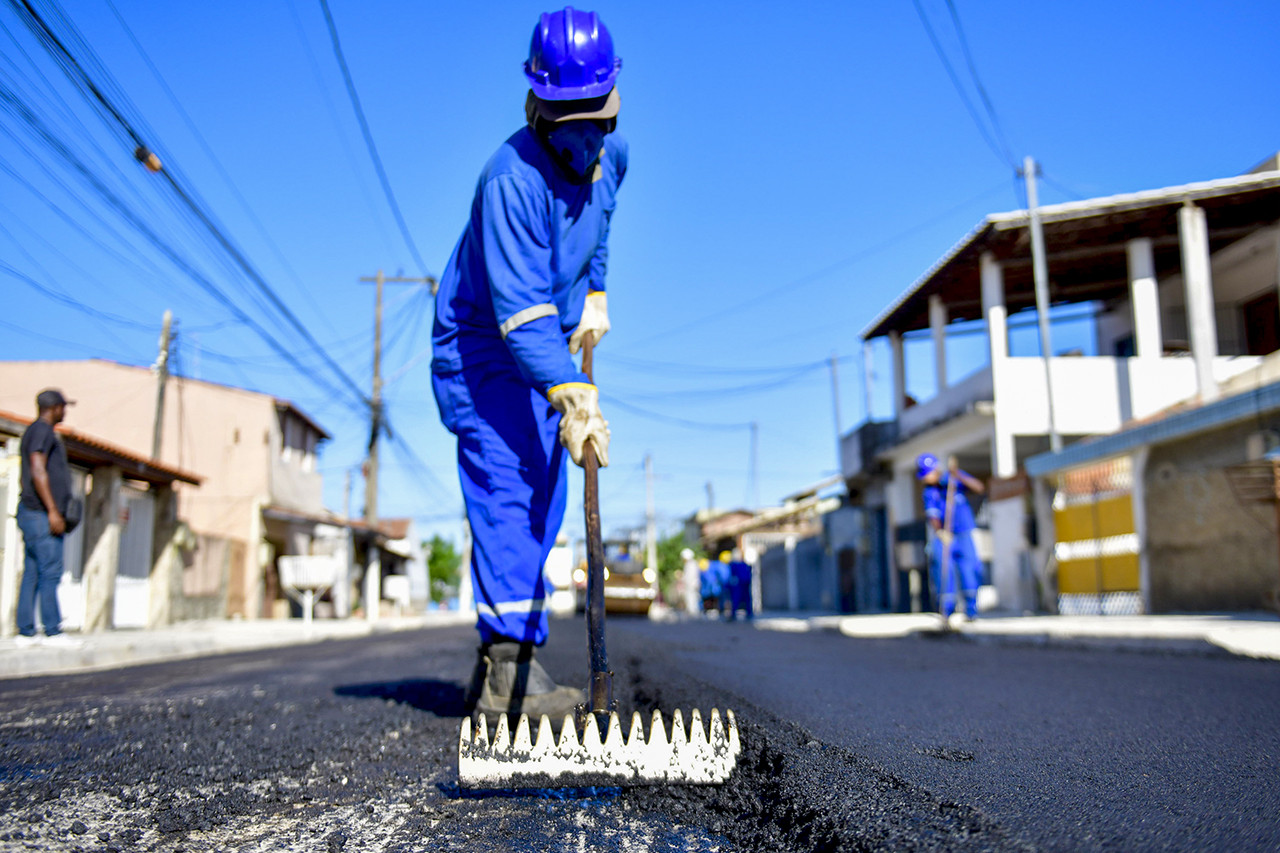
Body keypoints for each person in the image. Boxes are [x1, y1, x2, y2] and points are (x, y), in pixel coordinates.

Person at [431, 7, 625, 723]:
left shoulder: (615, 154)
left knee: (545, 491)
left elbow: (599, 223)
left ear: (611, 105)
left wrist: (597, 287)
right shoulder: (510, 180)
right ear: (537, 105)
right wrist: (573, 393)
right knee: (511, 482)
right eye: (565, 116)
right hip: (483, 343)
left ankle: (510, 655)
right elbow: (520, 312)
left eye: (593, 116)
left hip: (543, 343)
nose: (581, 134)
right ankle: (507, 670)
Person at [15, 389, 80, 648]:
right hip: (41, 514)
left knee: (32, 571)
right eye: (64, 407)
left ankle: (26, 632)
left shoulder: (36, 431)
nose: (65, 411)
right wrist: (53, 510)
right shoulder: (42, 431)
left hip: (33, 513)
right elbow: (37, 468)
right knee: (50, 572)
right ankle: (53, 631)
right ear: (54, 407)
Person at [917, 453, 986, 621]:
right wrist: (940, 532)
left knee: (968, 569)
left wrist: (958, 474)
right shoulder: (929, 492)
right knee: (943, 569)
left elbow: (978, 488)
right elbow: (932, 516)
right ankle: (946, 609)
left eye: (927, 474)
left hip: (963, 533)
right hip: (945, 536)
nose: (925, 479)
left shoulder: (954, 481)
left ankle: (971, 609)